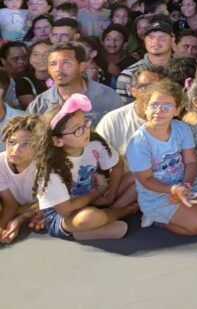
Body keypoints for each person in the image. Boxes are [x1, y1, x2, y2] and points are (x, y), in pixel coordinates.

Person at [126, 80, 197, 235]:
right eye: (154, 105)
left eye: (167, 106)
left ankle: (186, 210)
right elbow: (146, 180)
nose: (159, 111)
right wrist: (174, 190)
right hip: (158, 194)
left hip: (185, 182)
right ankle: (156, 218)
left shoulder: (181, 129)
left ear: (176, 111)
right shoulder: (138, 142)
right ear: (145, 107)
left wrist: (186, 185)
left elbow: (190, 162)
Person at [34, 94, 137, 241]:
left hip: (92, 197)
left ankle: (101, 220)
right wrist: (98, 192)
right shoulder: (50, 168)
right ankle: (120, 212)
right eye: (77, 129)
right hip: (64, 215)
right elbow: (65, 210)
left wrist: (111, 194)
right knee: (88, 217)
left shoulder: (94, 142)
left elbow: (117, 165)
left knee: (135, 178)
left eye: (85, 124)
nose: (86, 131)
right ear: (57, 141)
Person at [27, 42, 122, 123]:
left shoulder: (108, 97)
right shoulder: (40, 104)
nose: (58, 69)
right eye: (53, 64)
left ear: (82, 66)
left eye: (66, 63)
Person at [0, 115, 42, 244]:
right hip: (16, 207)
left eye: (26, 144)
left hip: (37, 209)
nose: (15, 150)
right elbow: (9, 204)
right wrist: (2, 229)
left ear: (39, 146)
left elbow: (47, 203)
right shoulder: (0, 163)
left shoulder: (45, 165)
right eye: (12, 142)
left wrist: (18, 221)